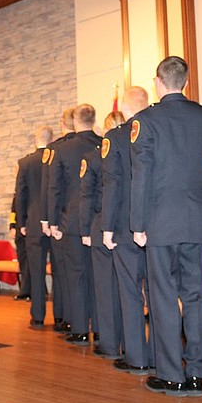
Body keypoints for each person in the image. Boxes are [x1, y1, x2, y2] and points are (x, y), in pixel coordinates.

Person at [130, 56, 202, 397]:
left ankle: (171, 374)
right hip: (199, 224)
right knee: (195, 298)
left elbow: (141, 176)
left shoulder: (146, 121)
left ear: (158, 81)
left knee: (162, 298)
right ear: (186, 82)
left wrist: (137, 223)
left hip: (161, 223)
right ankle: (196, 375)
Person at [103, 86, 155, 374]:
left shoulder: (116, 137)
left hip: (124, 226)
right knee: (159, 294)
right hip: (158, 227)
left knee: (131, 291)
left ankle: (137, 357)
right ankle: (160, 356)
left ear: (124, 106)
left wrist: (107, 227)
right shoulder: (160, 130)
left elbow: (113, 184)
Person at [49, 103, 102, 346]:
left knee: (77, 275)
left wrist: (52, 221)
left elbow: (55, 188)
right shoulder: (103, 145)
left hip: (71, 221)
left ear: (75, 120)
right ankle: (102, 329)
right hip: (100, 220)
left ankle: (80, 329)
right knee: (100, 278)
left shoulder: (63, 149)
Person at [80, 111, 125, 358]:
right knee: (128, 290)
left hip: (101, 225)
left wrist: (86, 229)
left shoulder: (95, 157)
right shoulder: (134, 152)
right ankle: (131, 344)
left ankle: (109, 344)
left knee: (105, 289)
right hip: (128, 228)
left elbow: (87, 197)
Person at [15, 125, 54, 327]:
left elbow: (20, 195)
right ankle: (62, 317)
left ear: (35, 139)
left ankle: (38, 316)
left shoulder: (26, 162)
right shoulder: (57, 157)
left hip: (33, 223)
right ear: (52, 138)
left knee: (37, 272)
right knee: (60, 272)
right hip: (57, 223)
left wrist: (21, 222)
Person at [41, 109, 75, 333]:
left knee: (62, 274)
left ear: (63, 124)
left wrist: (48, 220)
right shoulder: (96, 144)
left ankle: (63, 317)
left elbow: (50, 188)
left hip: (62, 221)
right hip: (89, 222)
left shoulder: (56, 150)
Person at [9, 195, 31, 301]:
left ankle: (31, 291)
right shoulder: (17, 193)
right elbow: (13, 211)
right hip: (19, 229)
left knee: (31, 262)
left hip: (31, 227)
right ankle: (25, 290)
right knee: (22, 260)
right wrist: (12, 226)